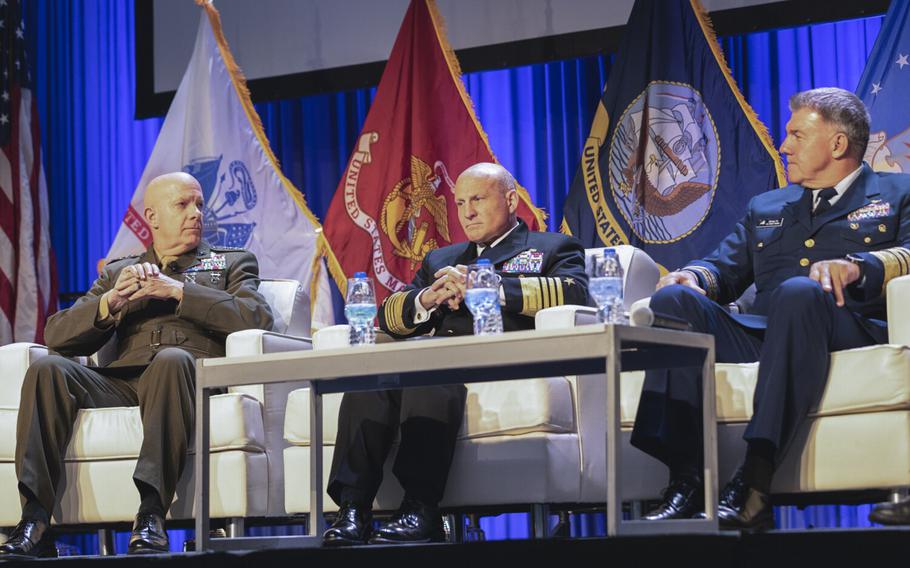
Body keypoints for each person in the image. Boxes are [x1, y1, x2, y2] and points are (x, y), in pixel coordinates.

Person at [630, 87, 910, 531]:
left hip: (848, 329)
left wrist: (862, 266)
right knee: (672, 302)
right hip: (766, 334)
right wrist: (694, 277)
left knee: (799, 292)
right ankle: (685, 479)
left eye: (797, 134)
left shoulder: (897, 192)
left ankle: (756, 478)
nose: (784, 146)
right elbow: (723, 268)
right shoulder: (768, 206)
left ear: (838, 144)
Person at [0, 172, 274, 558]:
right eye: (183, 204)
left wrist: (178, 291)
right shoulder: (118, 272)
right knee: (48, 370)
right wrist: (110, 302)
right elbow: (57, 334)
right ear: (153, 217)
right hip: (123, 382)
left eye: (199, 203)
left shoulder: (229, 263)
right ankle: (34, 519)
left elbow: (256, 318)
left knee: (170, 360)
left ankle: (150, 513)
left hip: (188, 377)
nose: (196, 212)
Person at [322, 162, 589, 546]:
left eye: (478, 199)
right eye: (461, 202)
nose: (467, 212)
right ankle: (352, 510)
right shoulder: (440, 259)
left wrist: (489, 288)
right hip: (437, 359)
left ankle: (421, 508)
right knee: (374, 372)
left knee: (428, 363)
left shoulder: (551, 247)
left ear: (511, 199)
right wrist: (427, 299)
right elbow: (389, 317)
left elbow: (576, 293)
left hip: (503, 360)